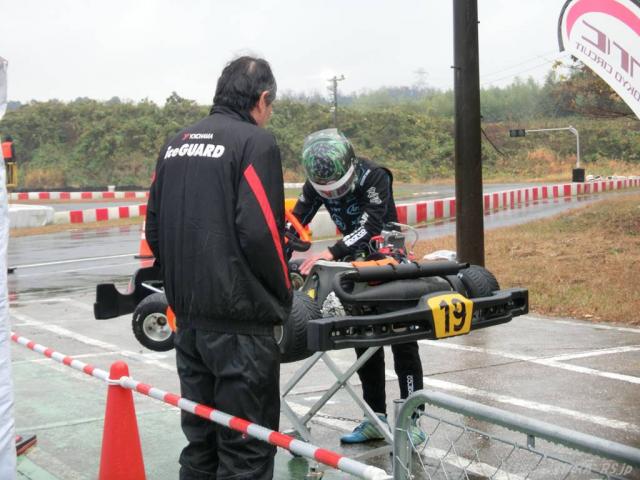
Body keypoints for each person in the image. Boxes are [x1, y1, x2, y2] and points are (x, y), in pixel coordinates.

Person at [146, 56, 292, 480]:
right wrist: (283, 294)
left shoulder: (175, 144)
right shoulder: (255, 143)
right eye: (270, 105)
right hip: (241, 328)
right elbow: (261, 233)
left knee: (201, 446)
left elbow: (154, 229)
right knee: (246, 451)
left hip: (189, 322)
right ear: (262, 99)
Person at [291, 129, 425, 444]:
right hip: (353, 270)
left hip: (389, 264)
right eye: (327, 192)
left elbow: (370, 224)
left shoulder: (374, 176)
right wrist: (280, 247)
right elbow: (295, 221)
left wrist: (330, 252)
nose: (334, 195)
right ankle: (374, 418)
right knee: (364, 341)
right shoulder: (314, 184)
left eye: (339, 189)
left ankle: (413, 421)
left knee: (404, 341)